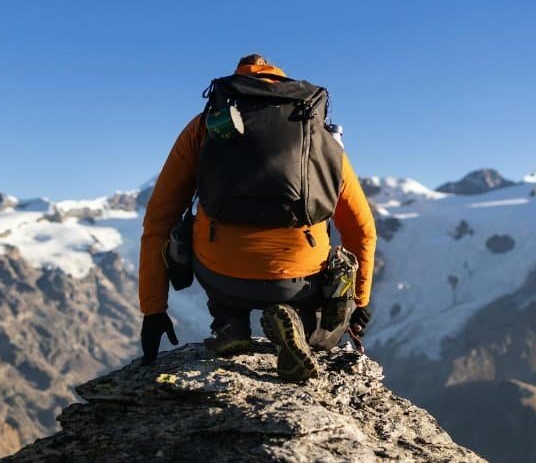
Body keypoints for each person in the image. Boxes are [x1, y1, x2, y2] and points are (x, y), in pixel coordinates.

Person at [138, 54, 377, 382]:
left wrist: (153, 310)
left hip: (221, 274)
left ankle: (228, 323)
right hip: (298, 279)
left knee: (202, 229)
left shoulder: (206, 125)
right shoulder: (315, 129)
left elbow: (158, 220)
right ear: (282, 83)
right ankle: (305, 328)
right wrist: (360, 301)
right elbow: (362, 230)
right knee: (328, 332)